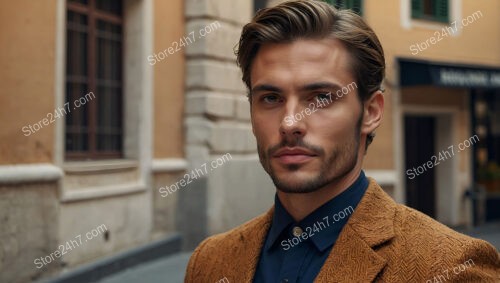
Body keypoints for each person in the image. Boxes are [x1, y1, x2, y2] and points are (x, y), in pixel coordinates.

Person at [184, 1, 500, 282]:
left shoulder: (453, 266)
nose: (290, 123)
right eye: (270, 98)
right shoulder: (210, 262)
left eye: (321, 97)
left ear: (371, 112)